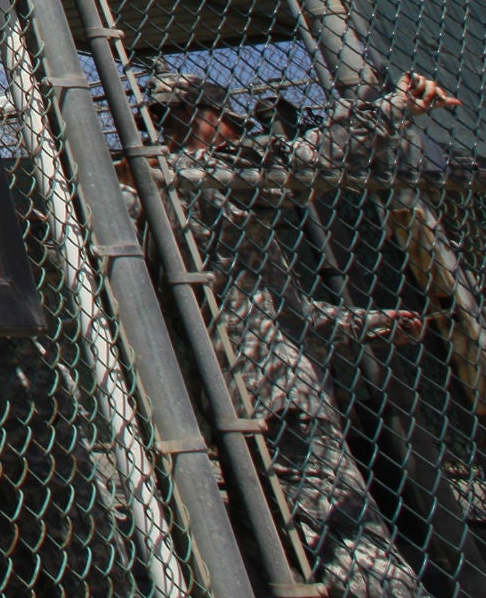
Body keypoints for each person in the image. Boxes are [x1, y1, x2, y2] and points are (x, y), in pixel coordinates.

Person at [142, 69, 459, 598]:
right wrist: (393, 107)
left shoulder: (147, 204)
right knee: (353, 546)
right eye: (226, 122)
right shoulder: (206, 180)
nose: (235, 134)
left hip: (217, 409)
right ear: (201, 119)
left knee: (277, 557)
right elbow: (306, 160)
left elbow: (293, 314)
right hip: (281, 402)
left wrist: (375, 323)